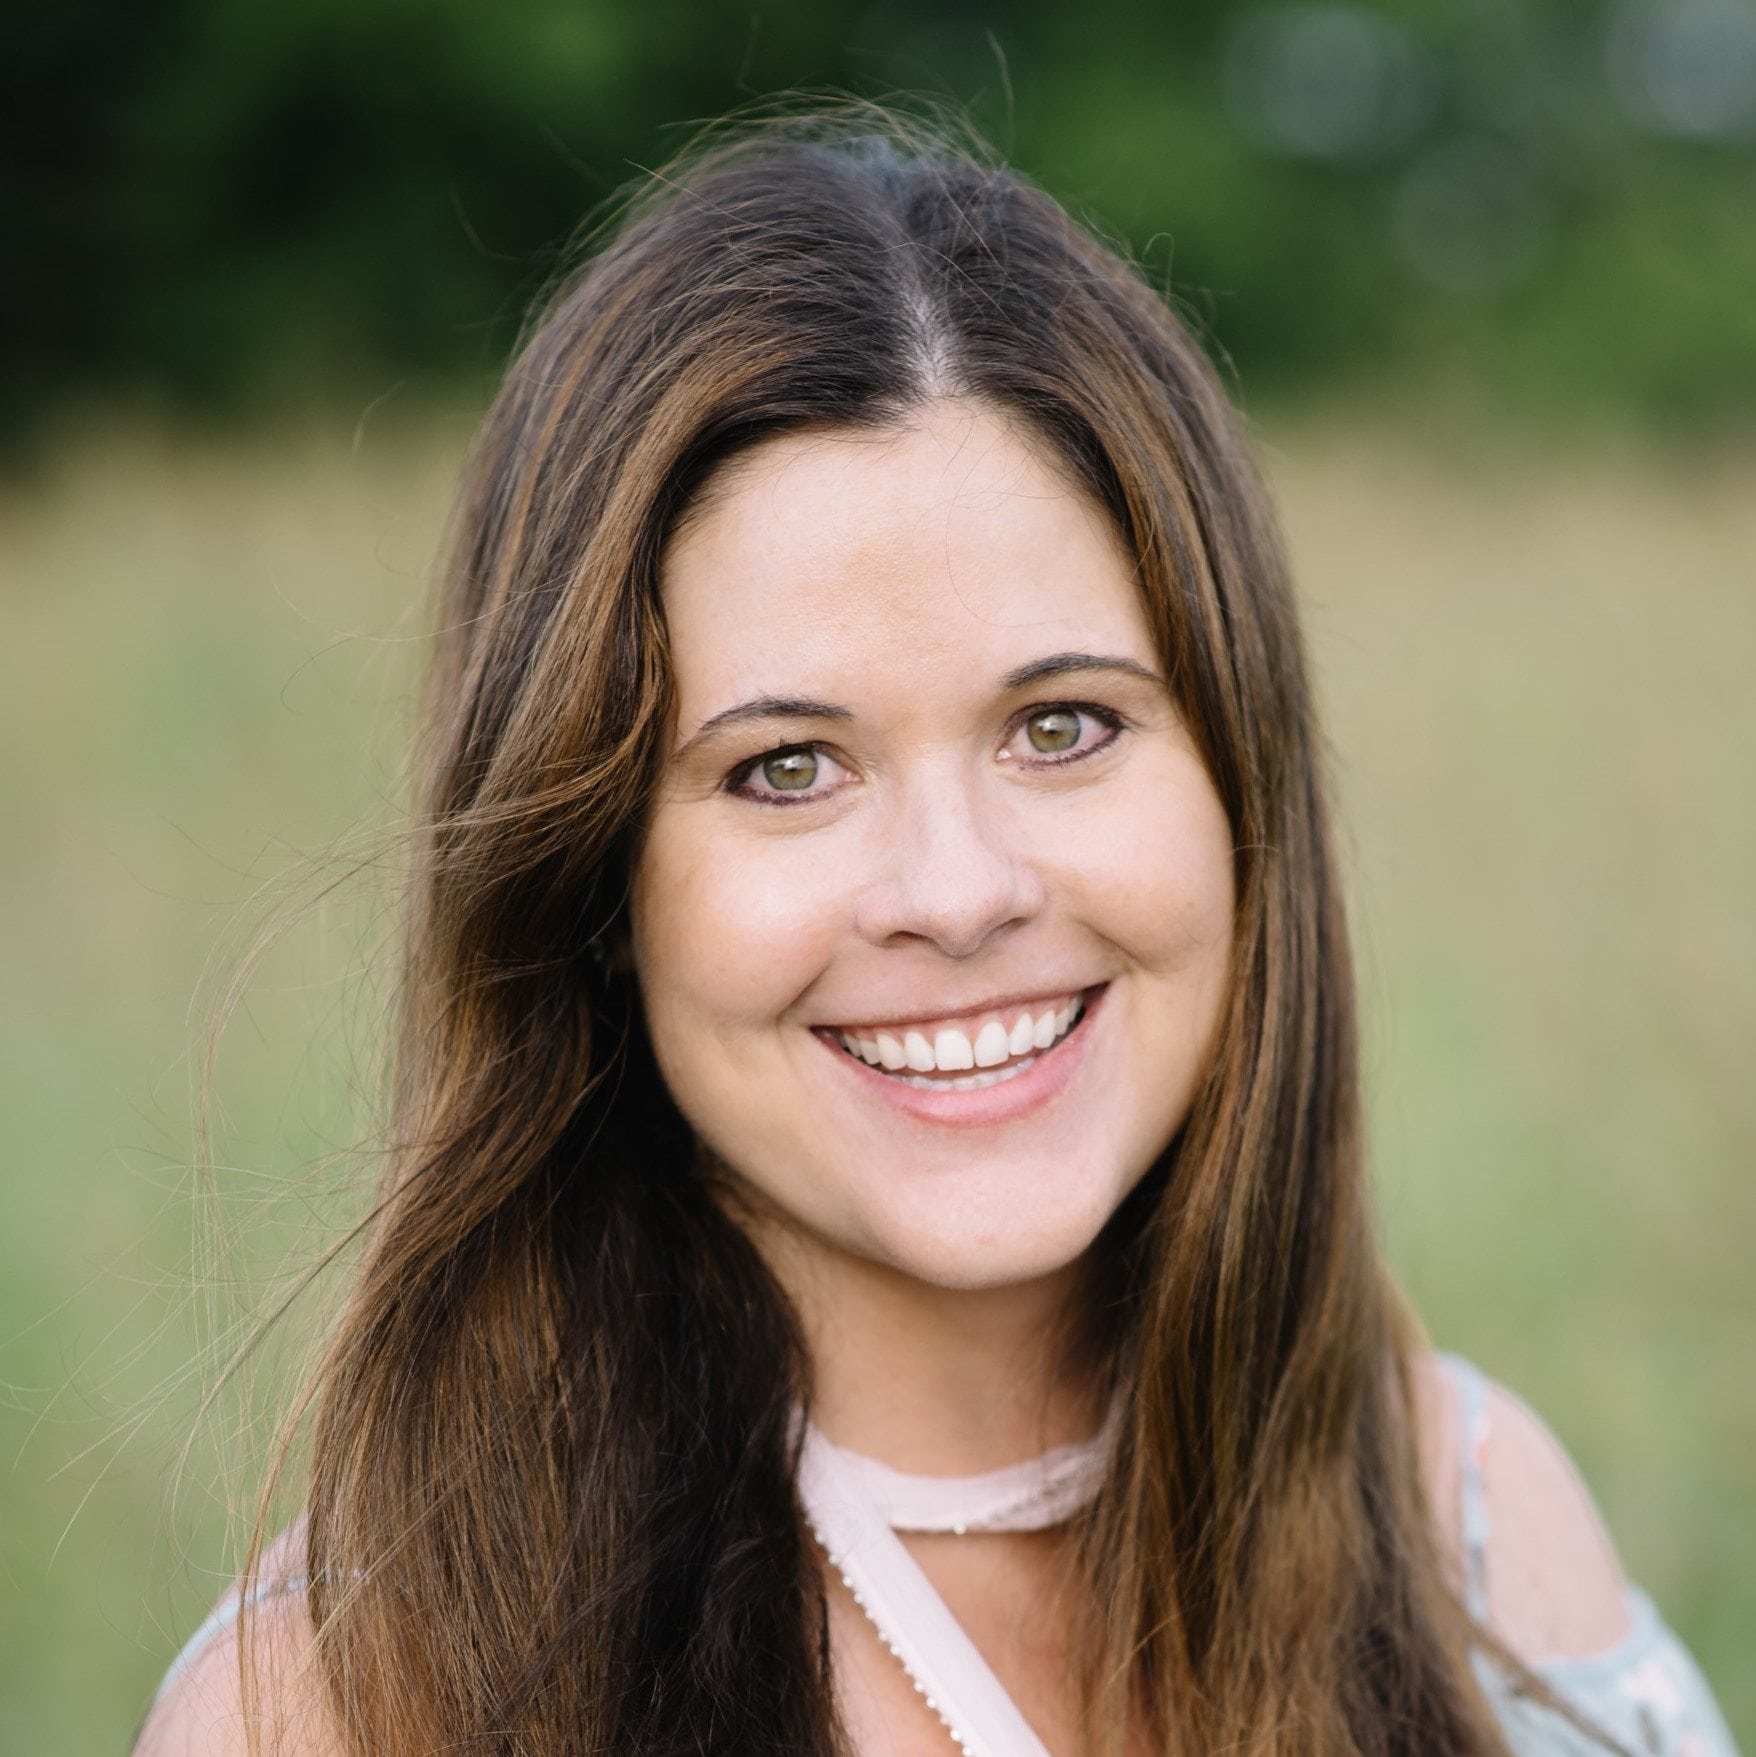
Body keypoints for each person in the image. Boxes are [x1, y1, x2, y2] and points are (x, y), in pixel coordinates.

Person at [136, 110, 1738, 1756]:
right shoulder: (349, 1701)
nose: (959, 891)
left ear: (1238, 783)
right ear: (595, 885)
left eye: (1063, 726)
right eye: (785, 767)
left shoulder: (1470, 1524)